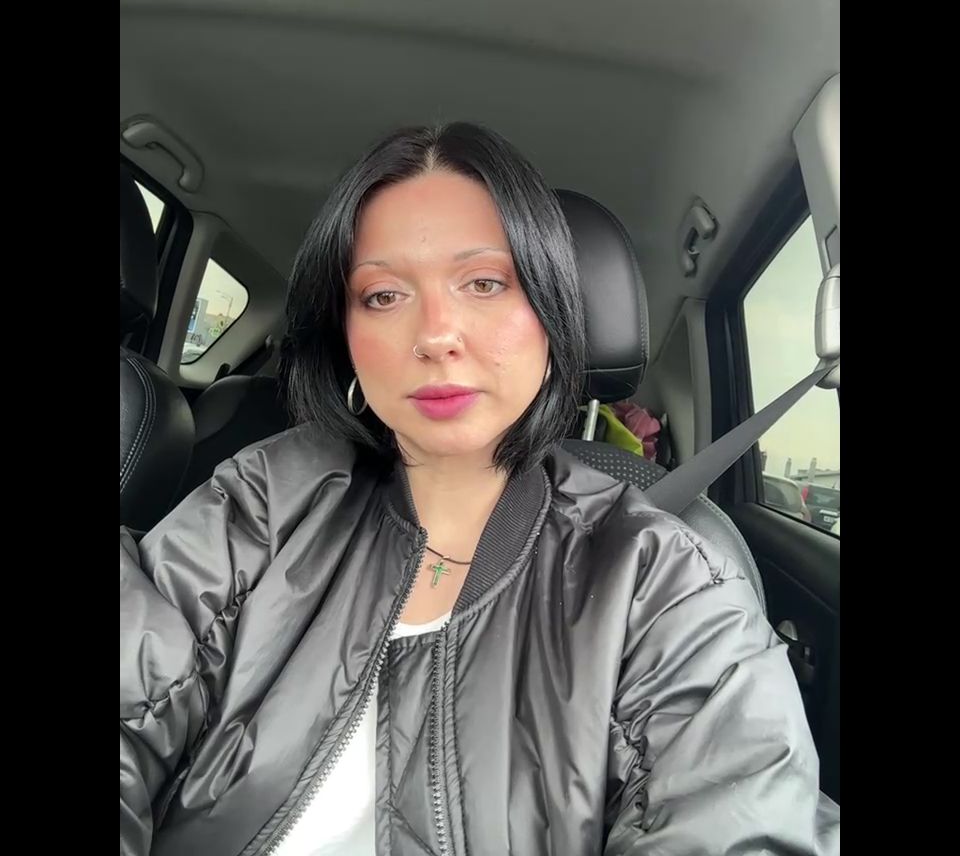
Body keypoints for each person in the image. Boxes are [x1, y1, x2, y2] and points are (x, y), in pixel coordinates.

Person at [120, 122, 840, 855]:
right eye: (383, 295)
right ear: (346, 336)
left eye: (486, 283)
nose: (436, 334)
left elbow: (735, 816)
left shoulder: (662, 579)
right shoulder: (268, 494)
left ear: (552, 315)